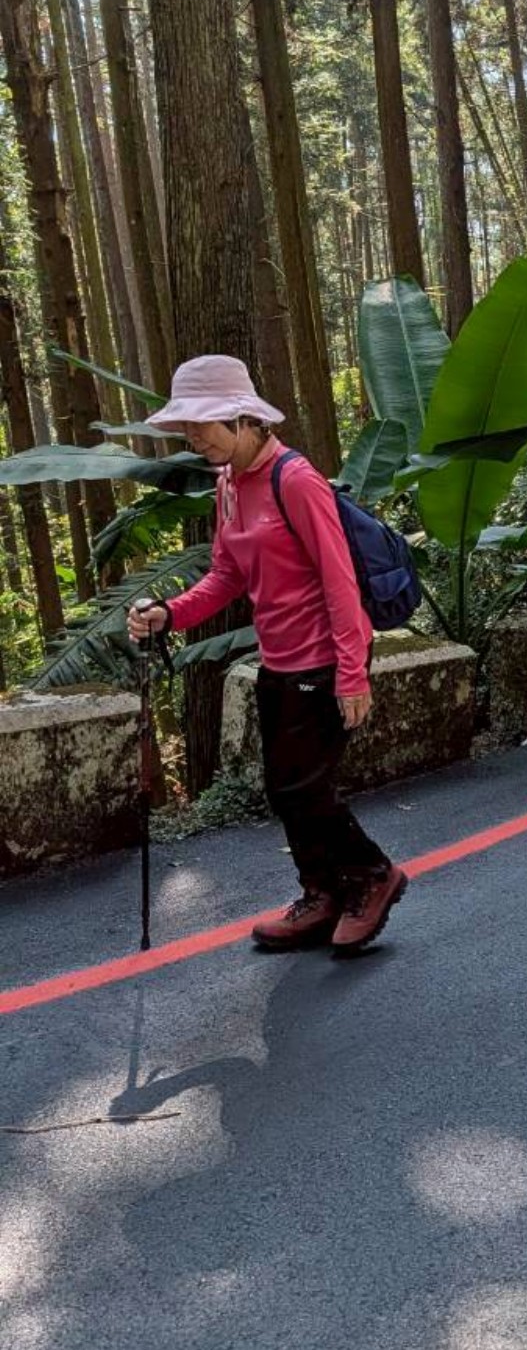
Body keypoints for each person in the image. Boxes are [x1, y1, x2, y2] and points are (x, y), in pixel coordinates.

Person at [125, 355, 406, 955]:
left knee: (302, 786)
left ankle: (371, 875)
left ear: (243, 418)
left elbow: (338, 580)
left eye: (202, 425)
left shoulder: (295, 480)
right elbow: (226, 576)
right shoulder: (228, 484)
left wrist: (352, 674)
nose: (193, 438)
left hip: (323, 658)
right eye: (186, 427)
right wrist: (169, 613)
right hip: (278, 658)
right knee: (285, 788)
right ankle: (322, 893)